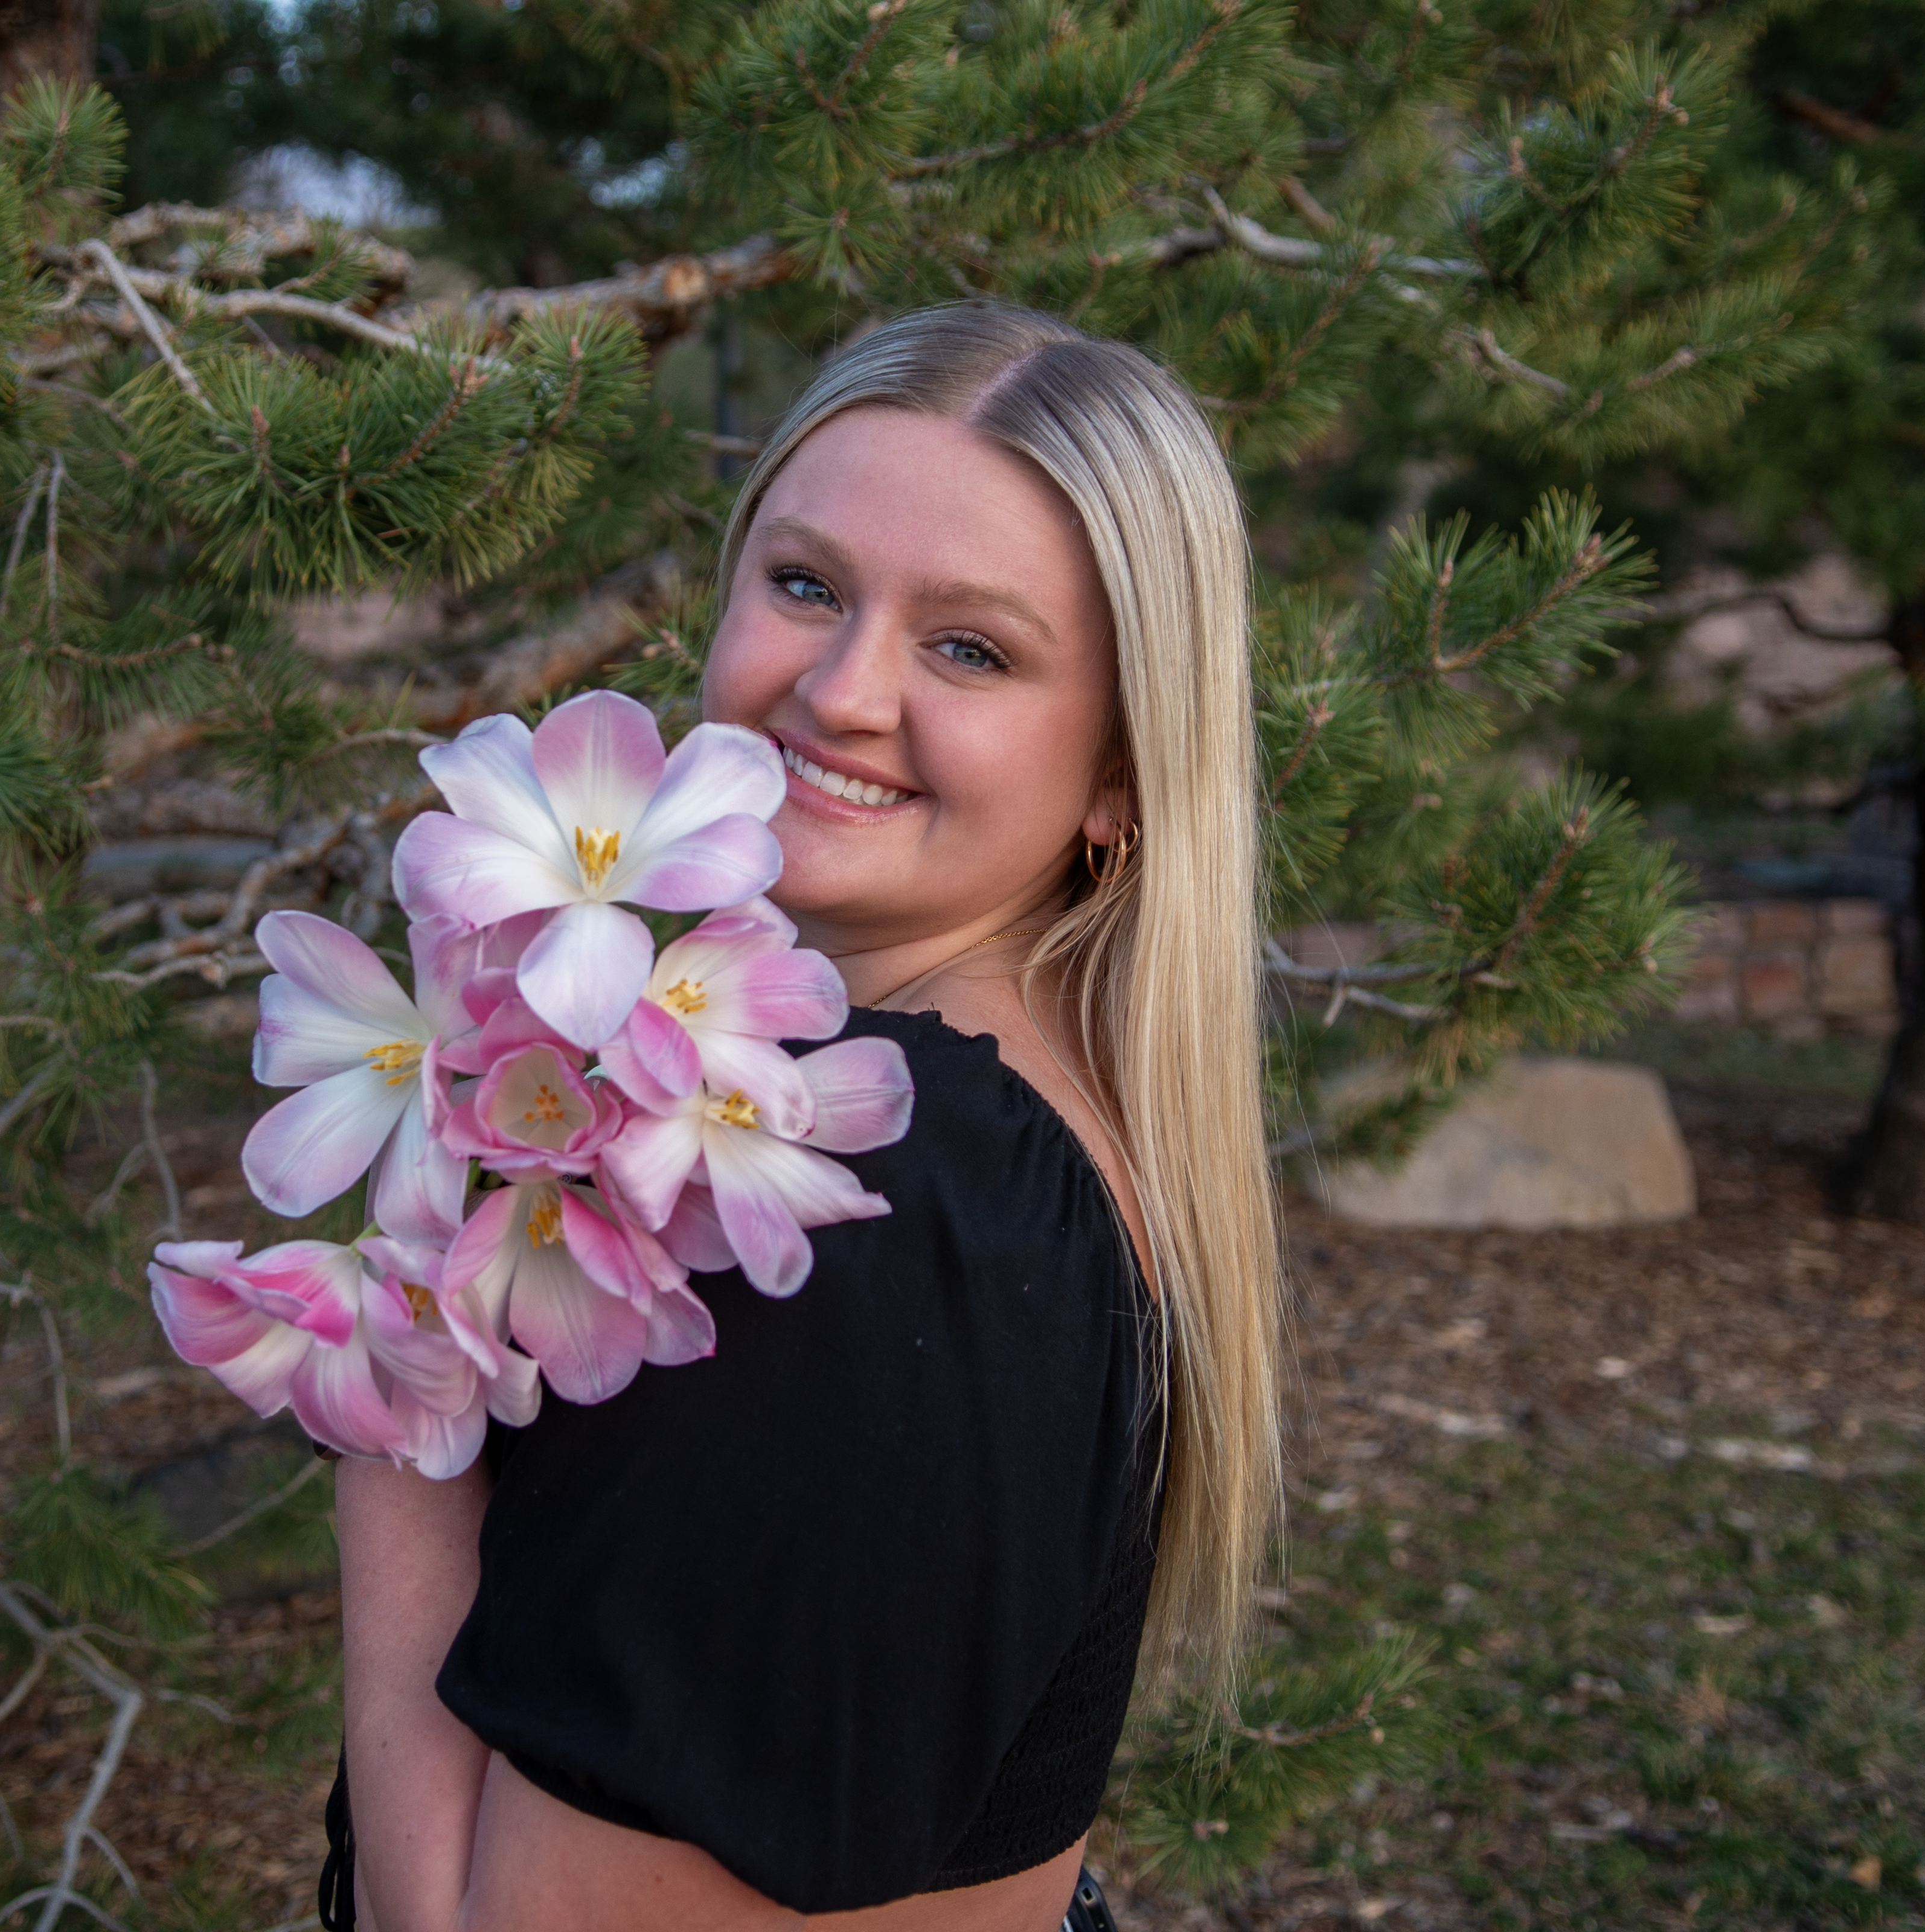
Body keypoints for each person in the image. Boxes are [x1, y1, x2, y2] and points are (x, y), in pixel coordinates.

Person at [322, 302, 1281, 1932]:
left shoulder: (876, 1218)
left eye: (969, 648)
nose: (838, 692)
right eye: (805, 585)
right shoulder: (971, 1133)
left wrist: (397, 1392)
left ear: (1123, 773)